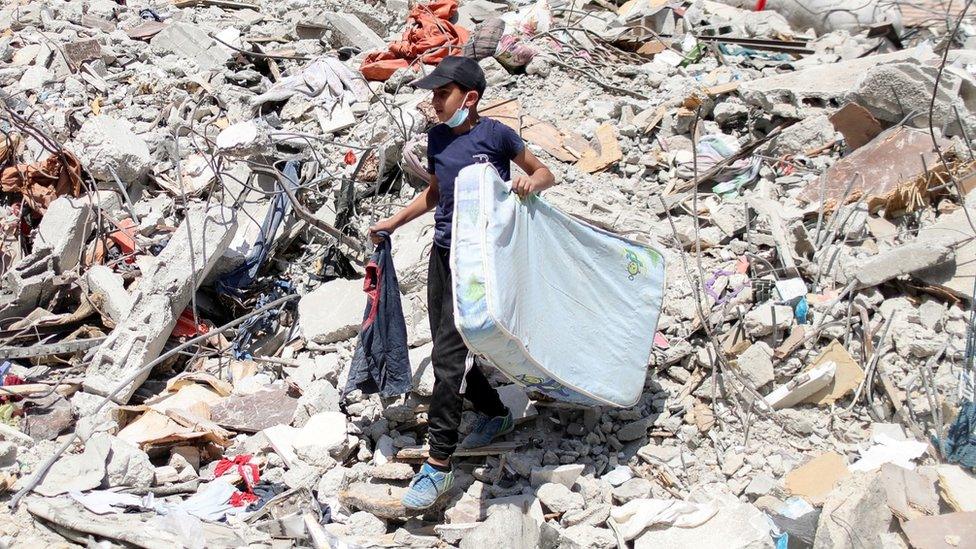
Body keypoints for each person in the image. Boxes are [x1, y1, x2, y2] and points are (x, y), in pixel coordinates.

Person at [369, 56, 556, 510]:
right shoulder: (436, 137)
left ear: (468, 98)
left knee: (449, 358)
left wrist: (532, 184)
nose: (433, 102)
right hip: (444, 254)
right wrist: (393, 221)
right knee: (446, 345)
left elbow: (544, 171)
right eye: (433, 94)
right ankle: (494, 413)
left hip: (483, 259)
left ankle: (438, 464)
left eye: (441, 94)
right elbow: (437, 191)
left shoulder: (495, 135)